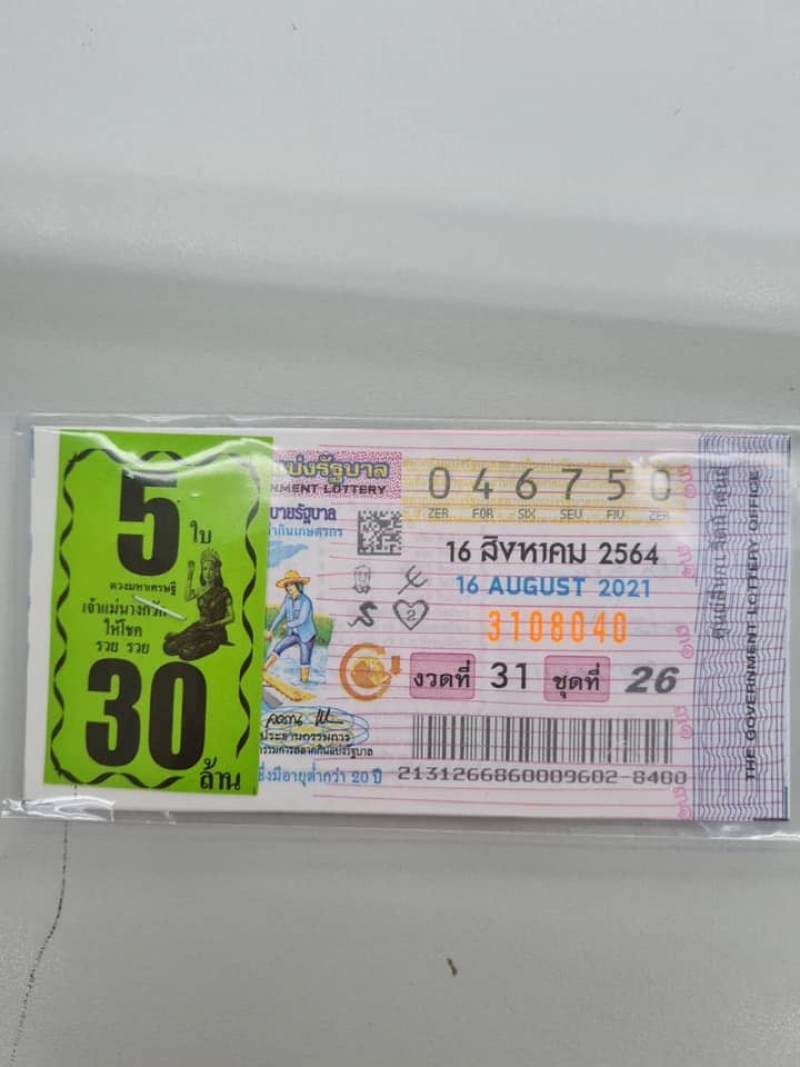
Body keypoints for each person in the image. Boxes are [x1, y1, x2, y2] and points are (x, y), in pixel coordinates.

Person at [163, 548, 234, 661]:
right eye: (205, 569)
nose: (208, 573)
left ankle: (196, 643)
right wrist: (190, 575)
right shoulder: (201, 590)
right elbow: (187, 597)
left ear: (216, 572)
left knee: (186, 653)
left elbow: (231, 617)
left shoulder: (223, 592)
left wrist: (215, 624)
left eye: (211, 569)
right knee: (169, 647)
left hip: (215, 632)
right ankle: (184, 638)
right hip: (200, 627)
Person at [264, 569, 317, 683]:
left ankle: (304, 683)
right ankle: (263, 670)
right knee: (278, 648)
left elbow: (302, 619)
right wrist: (271, 630)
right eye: (287, 585)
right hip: (293, 634)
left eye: (291, 584)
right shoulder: (287, 600)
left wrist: (288, 624)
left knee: (304, 662)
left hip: (306, 636)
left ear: (298, 585)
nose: (289, 587)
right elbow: (280, 615)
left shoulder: (305, 601)